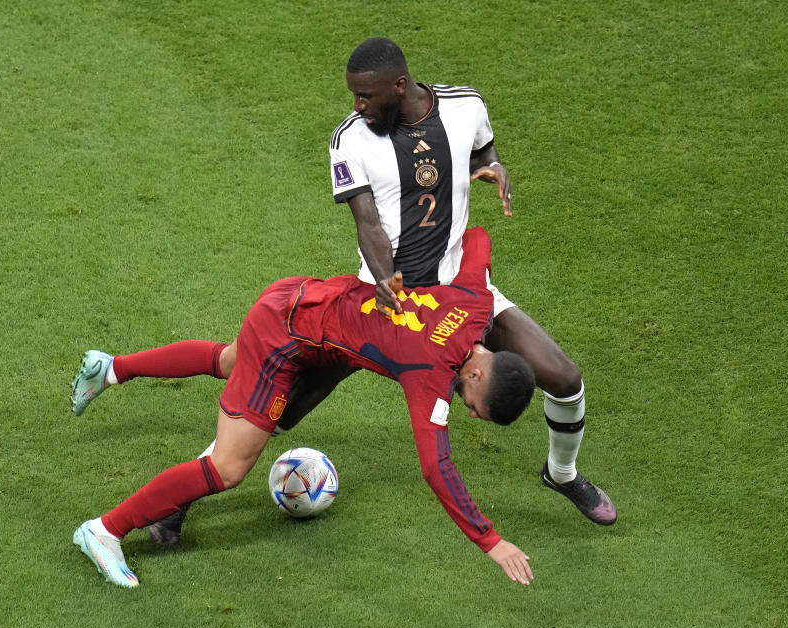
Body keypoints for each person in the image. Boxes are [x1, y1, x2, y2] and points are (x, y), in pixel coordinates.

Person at [71, 227, 537, 588]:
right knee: (228, 466)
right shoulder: (431, 374)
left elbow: (475, 240)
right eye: (478, 408)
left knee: (228, 360)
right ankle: (104, 531)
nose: (471, 415)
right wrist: (491, 542)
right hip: (285, 340)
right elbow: (437, 468)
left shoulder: (476, 300)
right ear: (477, 375)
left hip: (298, 295)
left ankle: (110, 369)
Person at [329, 37, 616, 524]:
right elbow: (368, 223)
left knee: (565, 379)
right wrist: (383, 279)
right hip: (391, 302)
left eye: (366, 96)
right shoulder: (350, 138)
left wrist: (493, 166)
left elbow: (482, 149)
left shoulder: (465, 105)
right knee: (290, 398)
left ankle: (561, 474)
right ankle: (204, 477)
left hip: (464, 291)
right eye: (354, 95)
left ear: (400, 86)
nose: (357, 106)